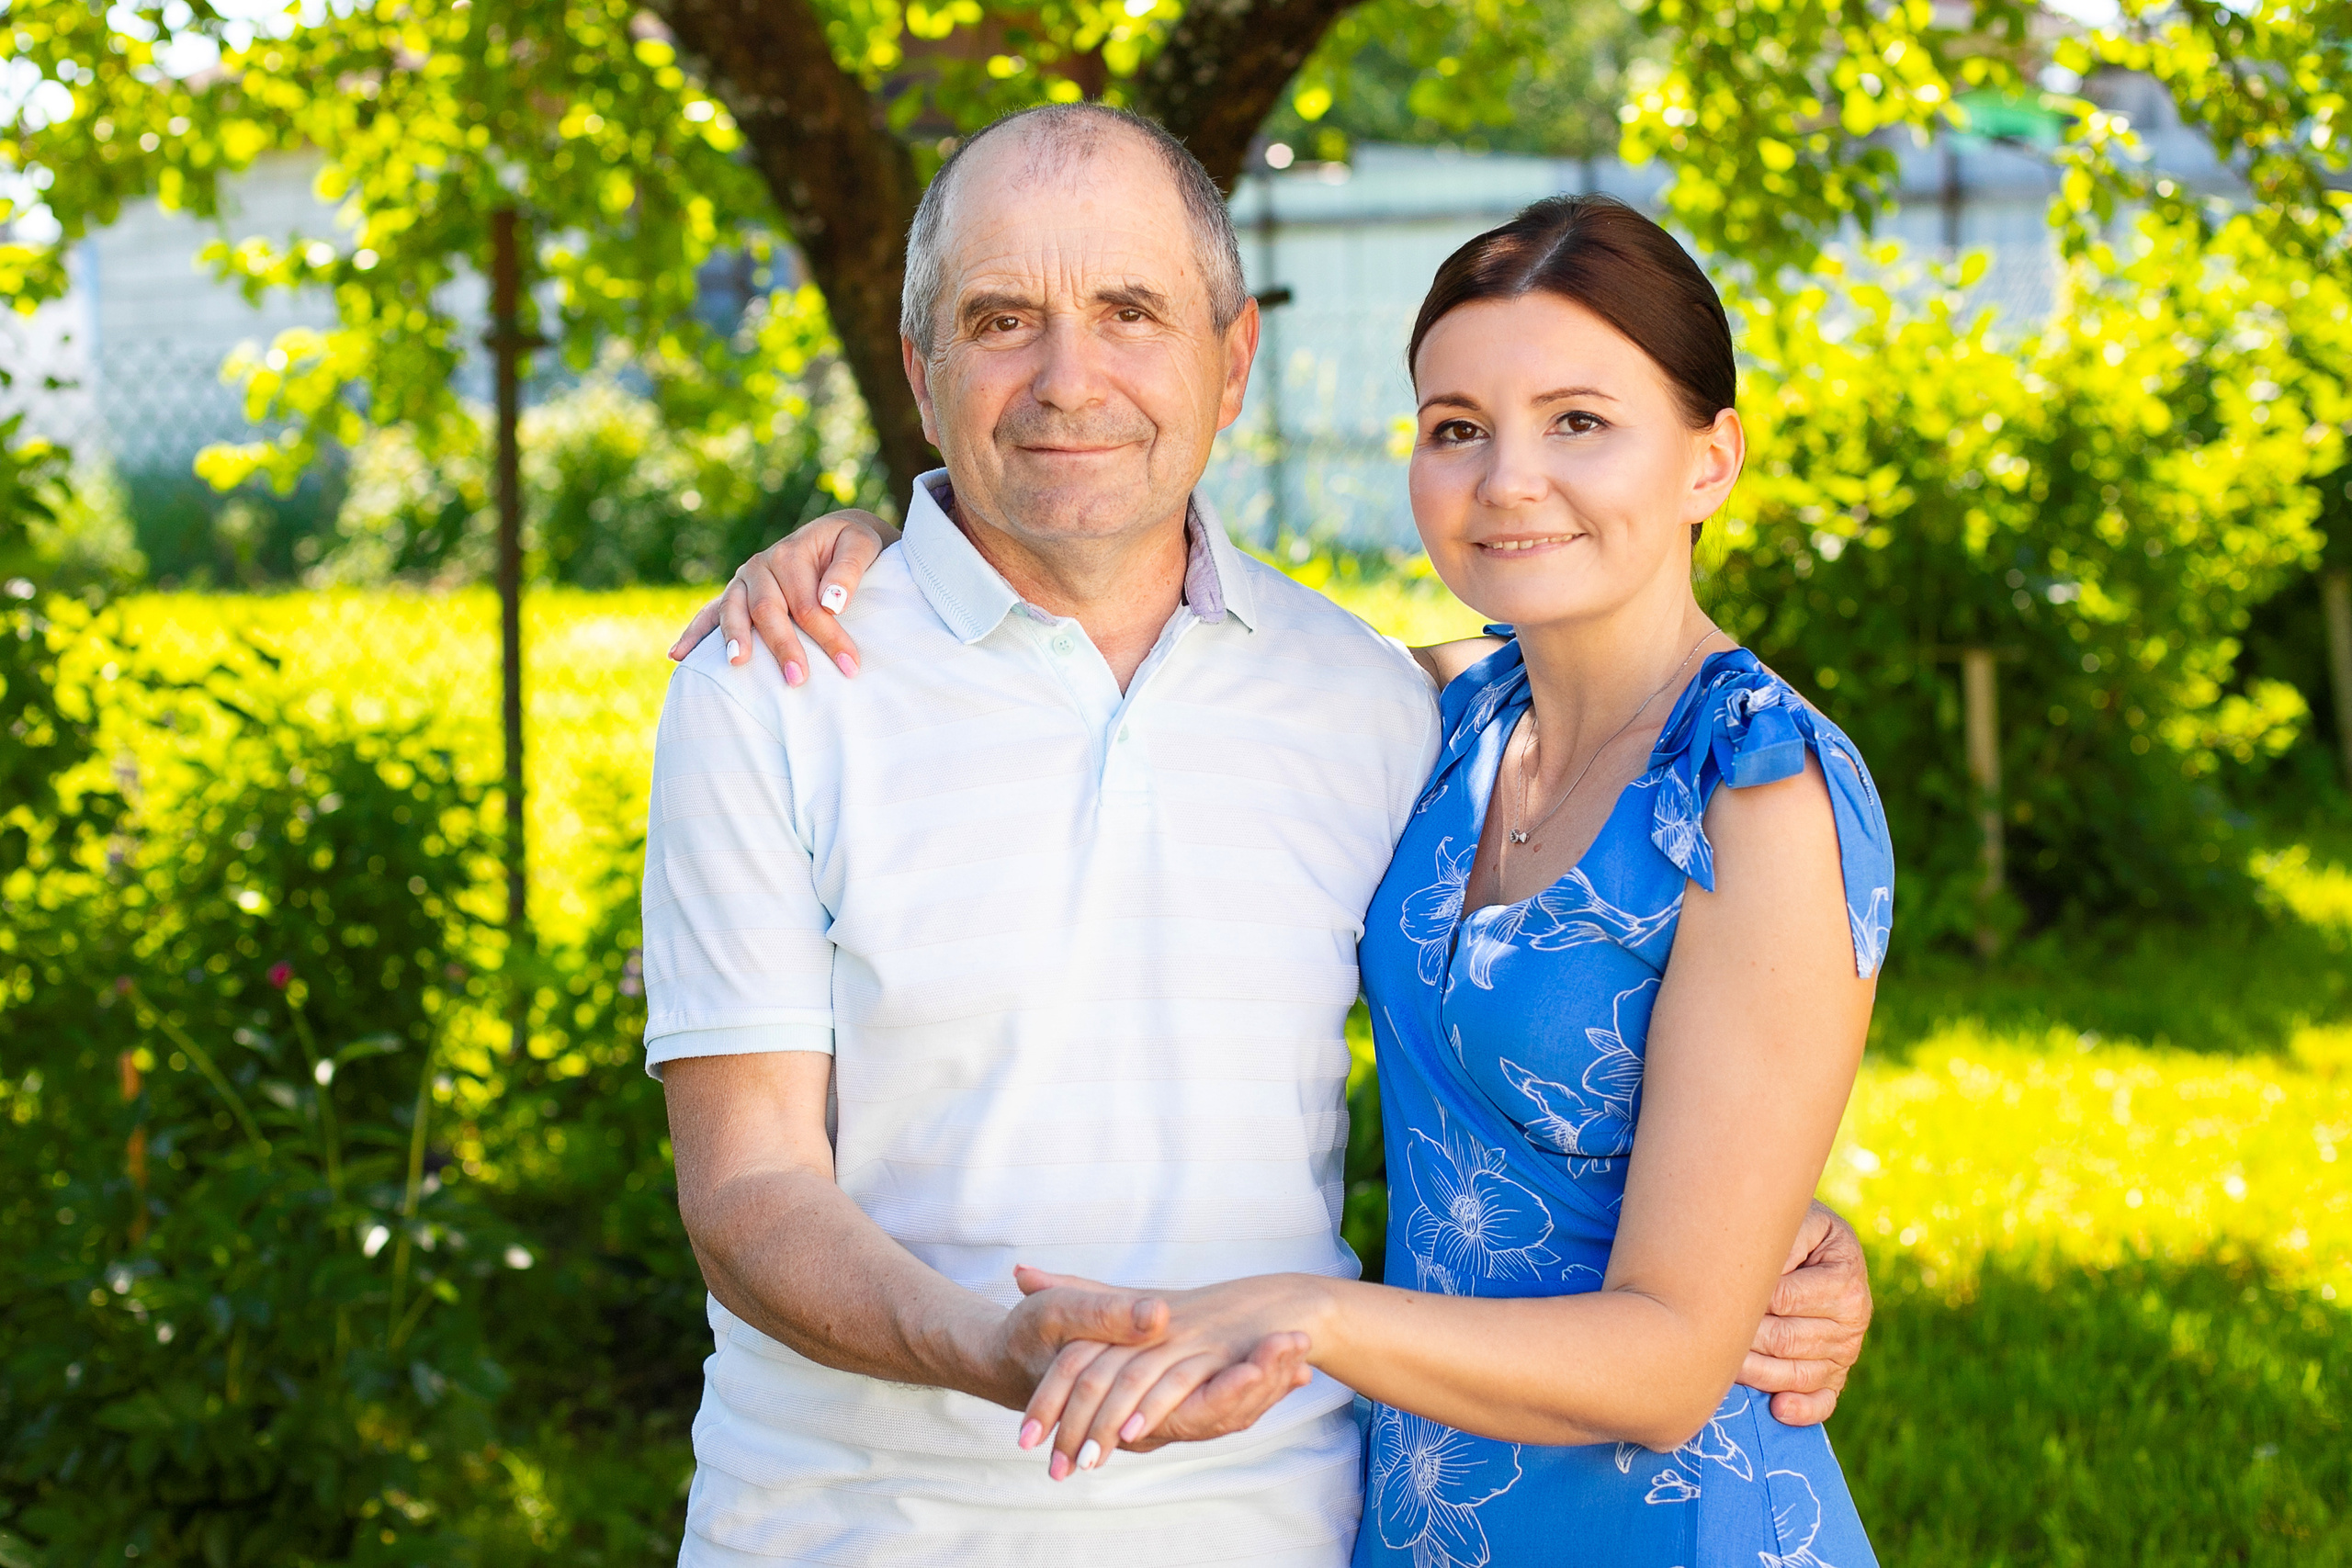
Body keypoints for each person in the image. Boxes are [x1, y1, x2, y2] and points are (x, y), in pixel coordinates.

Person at [650, 101, 1871, 1568]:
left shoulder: (1378, 706)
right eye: (1000, 319)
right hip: (854, 1531)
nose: (1068, 378)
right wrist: (996, 1347)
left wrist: (1779, 1258)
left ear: (1232, 366)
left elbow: (1683, 1133)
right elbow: (747, 1188)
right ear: (922, 376)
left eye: (1129, 311)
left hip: (1311, 1523)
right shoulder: (773, 687)